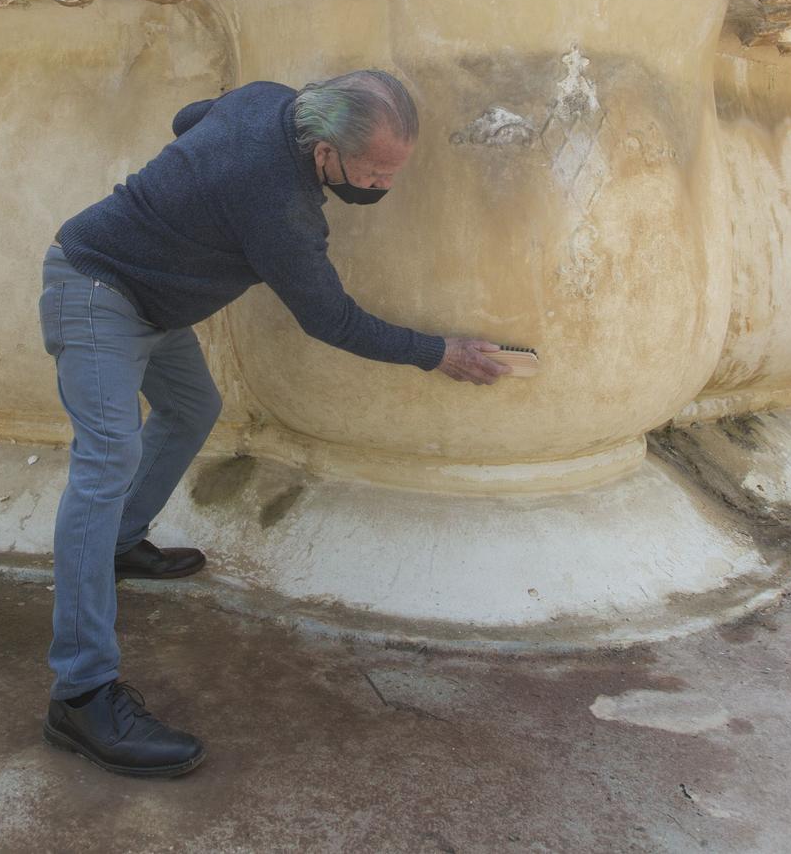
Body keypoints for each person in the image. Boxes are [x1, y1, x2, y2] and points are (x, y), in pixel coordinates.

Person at [37, 71, 509, 778]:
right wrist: (438, 352)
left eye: (393, 171)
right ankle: (79, 695)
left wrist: (192, 203)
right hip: (95, 285)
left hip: (149, 300)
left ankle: (120, 542)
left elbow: (185, 117)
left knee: (194, 407)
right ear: (324, 153)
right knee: (105, 460)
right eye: (374, 172)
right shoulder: (280, 206)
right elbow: (332, 319)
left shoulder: (267, 98)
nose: (382, 186)